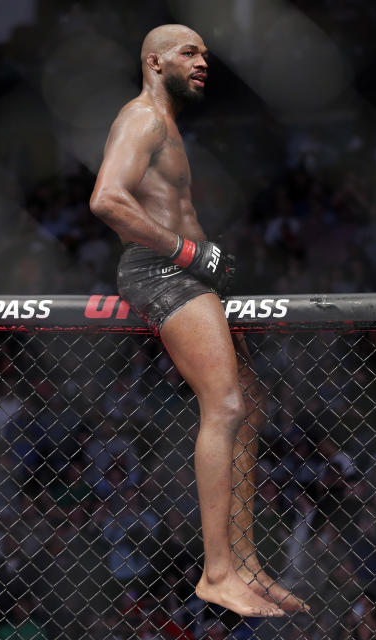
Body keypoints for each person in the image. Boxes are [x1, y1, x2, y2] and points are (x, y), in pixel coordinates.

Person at [89, 24, 302, 617]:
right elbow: (107, 198)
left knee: (249, 405)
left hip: (184, 274)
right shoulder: (143, 118)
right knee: (227, 405)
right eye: (190, 52)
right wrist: (186, 252)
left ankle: (245, 563)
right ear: (154, 61)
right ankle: (216, 573)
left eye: (206, 53)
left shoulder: (167, 121)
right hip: (163, 274)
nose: (203, 61)